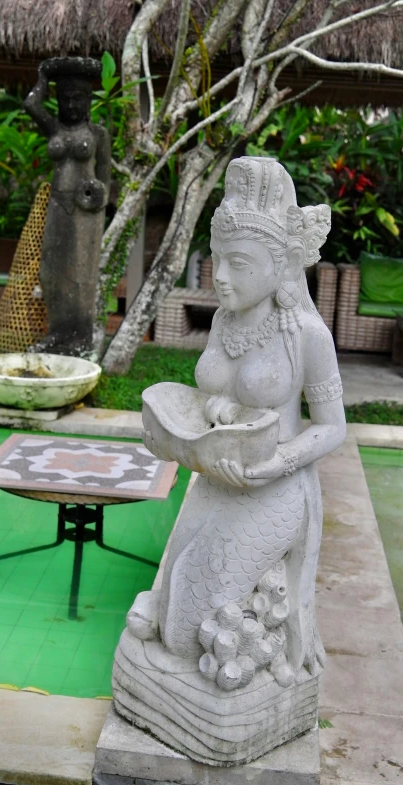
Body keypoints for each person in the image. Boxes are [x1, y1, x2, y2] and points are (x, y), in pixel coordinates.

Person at [112, 157, 347, 766]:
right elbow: (218, 390)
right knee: (161, 619)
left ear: (280, 265)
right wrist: (211, 411)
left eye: (241, 265)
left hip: (275, 489)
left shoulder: (307, 336)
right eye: (219, 259)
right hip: (219, 475)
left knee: (187, 618)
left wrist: (279, 464)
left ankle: (230, 693)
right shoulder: (223, 320)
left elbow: (333, 428)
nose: (221, 278)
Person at [24, 57, 111, 357]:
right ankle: (56, 333)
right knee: (51, 273)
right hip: (57, 207)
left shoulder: (98, 134)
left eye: (78, 98)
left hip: (85, 212)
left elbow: (106, 181)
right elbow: (31, 105)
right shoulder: (54, 129)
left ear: (88, 100)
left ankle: (80, 336)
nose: (71, 105)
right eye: (65, 99)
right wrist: (42, 78)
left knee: (80, 276)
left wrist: (97, 194)